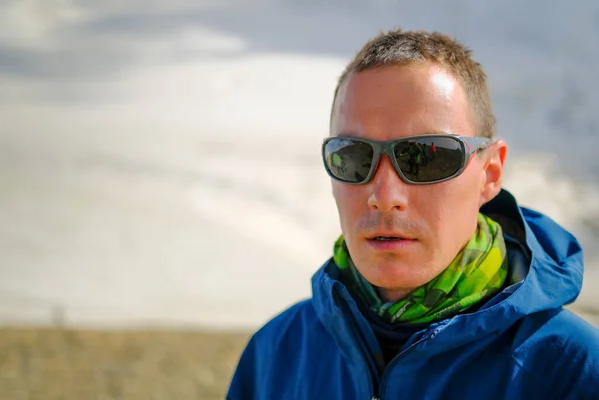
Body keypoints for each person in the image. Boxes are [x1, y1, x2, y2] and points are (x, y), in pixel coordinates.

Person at [227, 29, 599, 400]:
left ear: (490, 175)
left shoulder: (573, 373)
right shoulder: (275, 354)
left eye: (427, 156)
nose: (385, 196)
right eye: (355, 156)